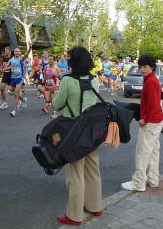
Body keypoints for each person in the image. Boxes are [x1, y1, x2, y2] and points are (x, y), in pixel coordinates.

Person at [52, 46, 102, 226]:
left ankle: (74, 215)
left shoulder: (67, 81)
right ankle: (95, 205)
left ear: (72, 62)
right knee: (92, 170)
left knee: (75, 174)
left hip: (73, 133)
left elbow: (57, 104)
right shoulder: (94, 80)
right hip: (92, 132)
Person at [121, 54, 163, 192]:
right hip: (157, 120)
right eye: (140, 67)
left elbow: (153, 104)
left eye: (145, 66)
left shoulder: (150, 81)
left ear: (152, 67)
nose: (142, 69)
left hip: (150, 121)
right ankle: (153, 179)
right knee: (153, 152)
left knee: (142, 152)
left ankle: (138, 182)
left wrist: (144, 119)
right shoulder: (152, 79)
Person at [6, 44, 30, 117]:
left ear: (19, 53)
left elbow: (26, 54)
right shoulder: (11, 59)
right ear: (14, 52)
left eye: (18, 51)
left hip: (19, 78)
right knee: (15, 93)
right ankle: (23, 100)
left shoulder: (21, 59)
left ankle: (14, 110)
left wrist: (30, 48)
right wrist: (4, 68)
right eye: (15, 51)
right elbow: (8, 66)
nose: (16, 52)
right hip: (13, 78)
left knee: (16, 94)